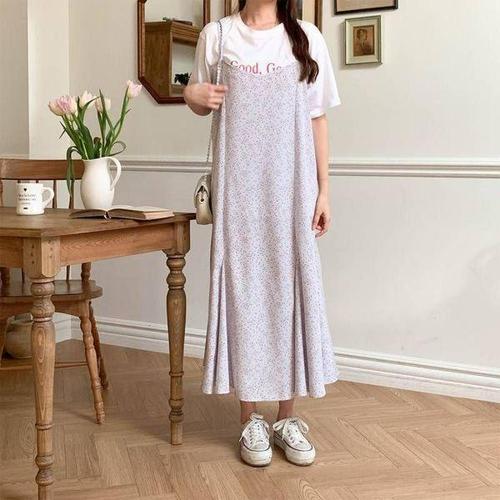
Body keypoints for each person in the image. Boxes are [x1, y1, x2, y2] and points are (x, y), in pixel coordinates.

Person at [184, 0, 341, 467]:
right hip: (238, 191)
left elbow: (317, 118)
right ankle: (249, 417)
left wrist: (325, 190)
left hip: (293, 189)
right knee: (244, 292)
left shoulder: (306, 38)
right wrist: (192, 95)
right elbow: (198, 100)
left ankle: (286, 417)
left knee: (289, 292)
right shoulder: (217, 36)